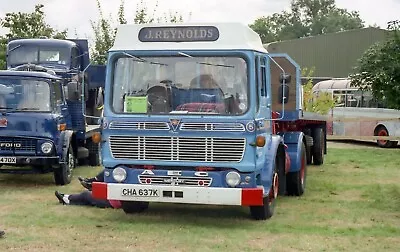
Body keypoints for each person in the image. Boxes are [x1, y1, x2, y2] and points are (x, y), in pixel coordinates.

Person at [55, 170, 121, 209]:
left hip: (110, 202)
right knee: (86, 201)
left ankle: (67, 197)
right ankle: (67, 200)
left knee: (86, 194)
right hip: (110, 199)